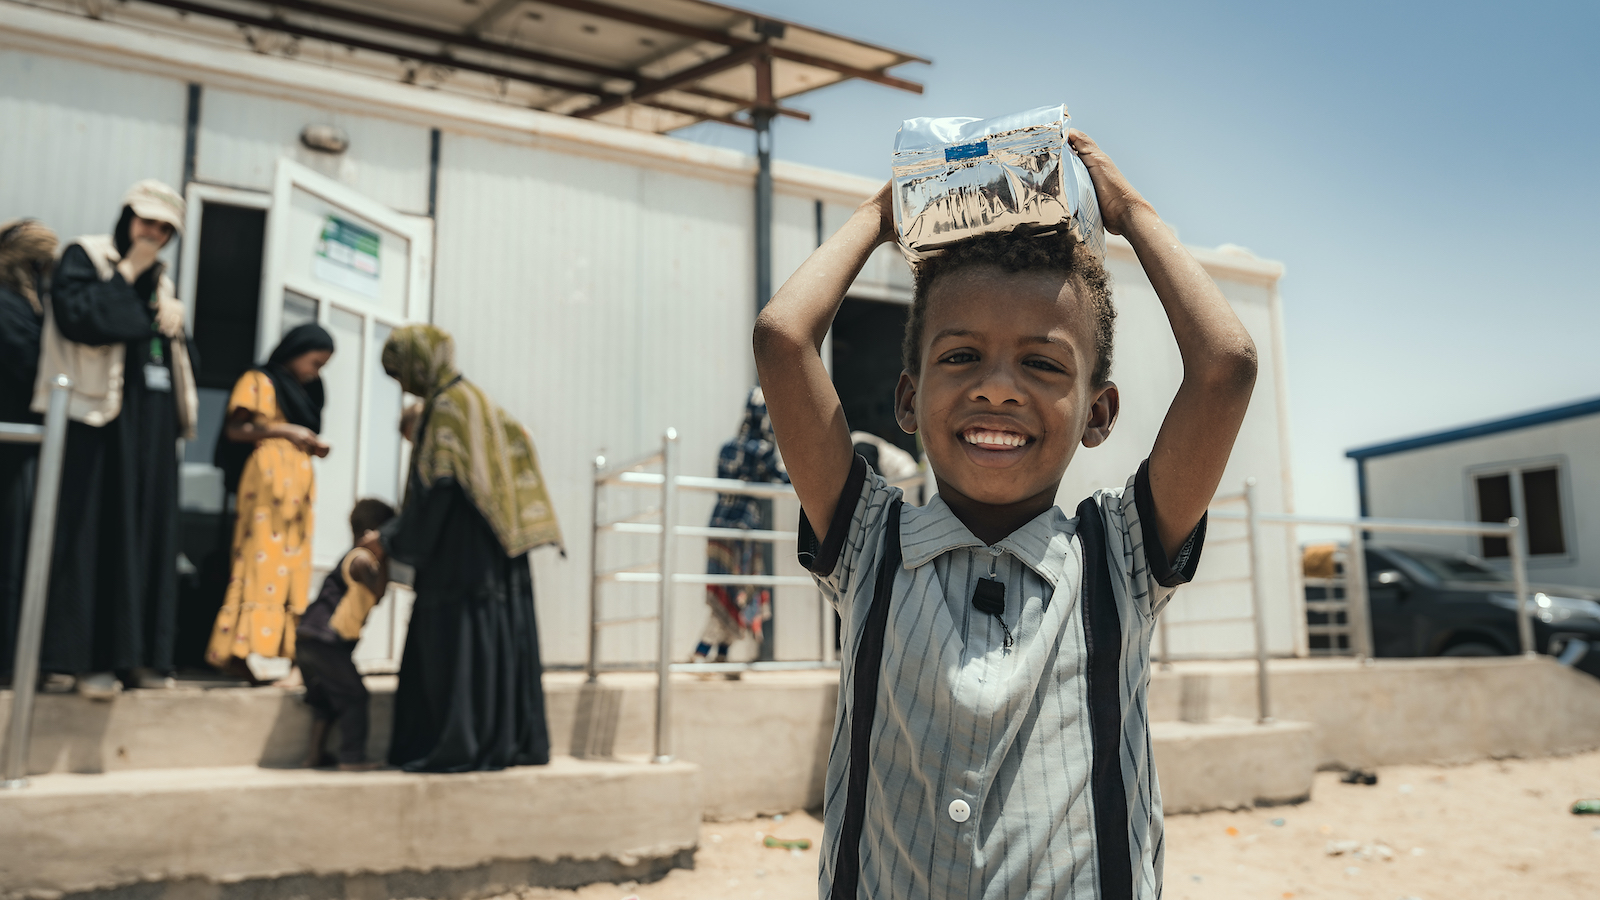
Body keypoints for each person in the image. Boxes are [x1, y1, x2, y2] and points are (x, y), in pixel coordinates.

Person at [752, 131, 1257, 898]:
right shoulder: (868, 543)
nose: (997, 388)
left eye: (1043, 364)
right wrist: (880, 214)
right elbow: (783, 340)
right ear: (906, 401)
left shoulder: (1117, 557)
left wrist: (1128, 212)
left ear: (1099, 411)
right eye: (959, 357)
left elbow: (1227, 367)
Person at [373, 324, 561, 772]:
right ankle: (511, 742)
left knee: (454, 644)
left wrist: (393, 538)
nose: (404, 386)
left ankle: (459, 743)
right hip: (500, 542)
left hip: (462, 548)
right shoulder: (478, 399)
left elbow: (440, 485)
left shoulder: (445, 406)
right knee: (495, 638)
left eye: (401, 374)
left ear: (418, 363)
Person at [36, 180, 198, 698]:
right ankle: (86, 660)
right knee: (94, 536)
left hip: (151, 427)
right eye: (145, 221)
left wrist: (174, 321)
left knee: (148, 538)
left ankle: (144, 657)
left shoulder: (164, 284)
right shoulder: (88, 256)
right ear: (127, 216)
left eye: (163, 228)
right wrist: (129, 272)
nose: (152, 234)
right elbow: (86, 319)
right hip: (98, 419)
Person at [204, 324, 334, 677]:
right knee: (258, 561)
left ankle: (288, 655)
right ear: (296, 350)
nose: (315, 372)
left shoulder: (310, 391)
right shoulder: (259, 380)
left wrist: (309, 444)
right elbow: (234, 430)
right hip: (265, 486)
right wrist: (284, 430)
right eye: (314, 362)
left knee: (293, 565)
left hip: (298, 490)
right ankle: (235, 653)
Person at [688, 387, 789, 669]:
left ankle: (721, 656)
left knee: (728, 590)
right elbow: (782, 478)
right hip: (742, 528)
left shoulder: (727, 447)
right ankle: (700, 652)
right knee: (737, 592)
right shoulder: (763, 451)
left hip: (718, 524)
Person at [297, 498, 395, 771]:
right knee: (355, 696)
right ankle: (352, 758)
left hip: (308, 638)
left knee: (325, 702)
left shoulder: (353, 556)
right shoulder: (361, 559)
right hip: (326, 641)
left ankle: (313, 757)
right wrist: (384, 551)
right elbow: (377, 591)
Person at [0, 219, 57, 683]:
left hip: (18, 448)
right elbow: (29, 369)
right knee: (13, 560)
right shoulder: (12, 310)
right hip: (13, 450)